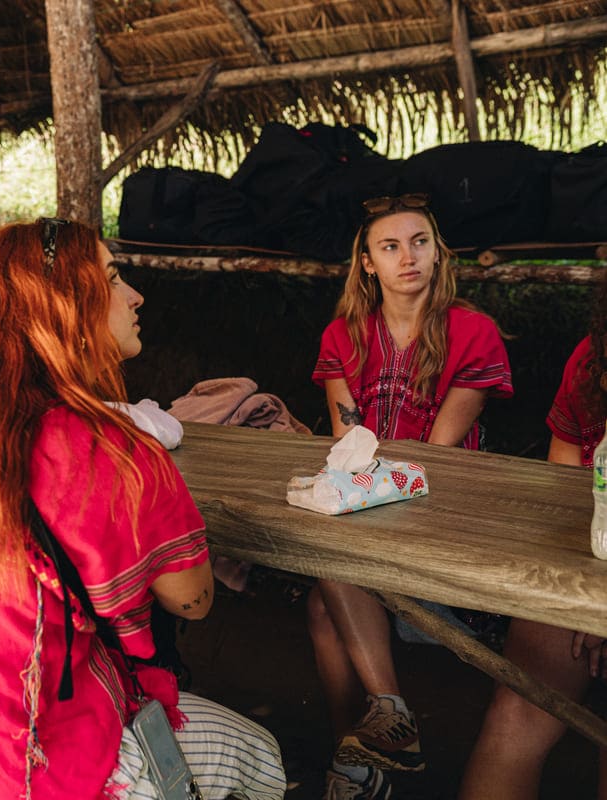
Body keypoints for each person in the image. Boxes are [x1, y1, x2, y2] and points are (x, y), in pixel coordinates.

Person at [0, 218, 285, 799]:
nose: (134, 294)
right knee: (260, 755)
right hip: (29, 762)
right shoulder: (108, 447)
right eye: (113, 278)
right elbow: (192, 599)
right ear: (64, 307)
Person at [309, 194, 513, 799]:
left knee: (328, 579)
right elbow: (350, 446)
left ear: (437, 251)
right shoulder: (343, 335)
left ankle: (364, 756)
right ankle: (376, 740)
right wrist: (359, 479)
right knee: (324, 594)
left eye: (420, 242)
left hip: (442, 512)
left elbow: (438, 456)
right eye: (390, 246)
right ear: (367, 262)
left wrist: (361, 480)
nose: (409, 257)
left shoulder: (473, 333)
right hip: (369, 499)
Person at [458, 281, 607, 800]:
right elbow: (563, 485)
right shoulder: (594, 357)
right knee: (517, 715)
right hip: (584, 562)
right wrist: (584, 598)